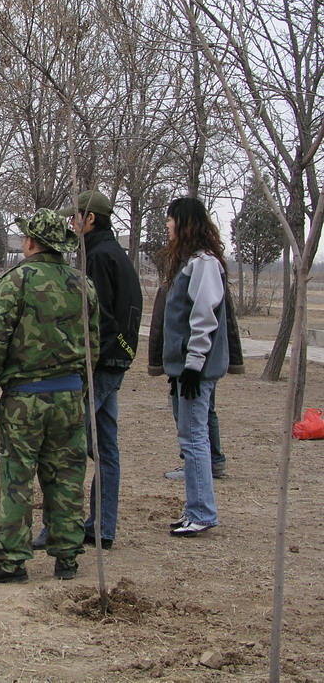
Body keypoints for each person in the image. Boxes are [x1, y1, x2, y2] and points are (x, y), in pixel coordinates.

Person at [0, 209, 98, 583]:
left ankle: (12, 561)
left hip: (24, 398)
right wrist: (82, 389)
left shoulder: (17, 282)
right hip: (70, 396)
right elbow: (94, 345)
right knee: (67, 478)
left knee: (17, 478)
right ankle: (67, 557)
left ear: (30, 242)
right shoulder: (83, 284)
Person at [33, 192, 142, 551]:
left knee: (66, 444)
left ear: (90, 219)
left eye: (74, 218)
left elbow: (96, 318)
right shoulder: (117, 256)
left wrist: (86, 360)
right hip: (115, 361)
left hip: (100, 366)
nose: (70, 224)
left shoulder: (97, 257)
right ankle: (102, 527)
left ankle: (58, 528)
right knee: (105, 448)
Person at [156, 197, 229, 537]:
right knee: (190, 437)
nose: (167, 227)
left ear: (182, 223)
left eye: (170, 221)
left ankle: (201, 511)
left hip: (196, 368)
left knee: (195, 439)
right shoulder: (190, 262)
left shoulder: (203, 263)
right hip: (186, 368)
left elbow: (204, 317)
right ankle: (195, 509)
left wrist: (193, 366)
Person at [149, 285, 244, 480]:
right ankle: (214, 461)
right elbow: (229, 322)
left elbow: (162, 324)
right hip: (206, 360)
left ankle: (195, 466)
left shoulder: (181, 282)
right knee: (206, 412)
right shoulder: (209, 280)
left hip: (191, 363)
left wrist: (168, 362)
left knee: (190, 419)